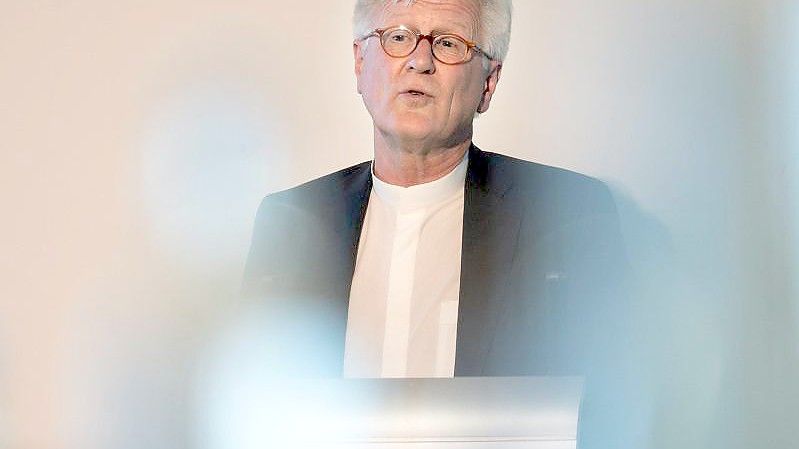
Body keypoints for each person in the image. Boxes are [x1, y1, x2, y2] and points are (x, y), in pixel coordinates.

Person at [242, 0, 629, 380]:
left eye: (447, 43)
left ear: (488, 83)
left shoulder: (565, 216)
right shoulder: (292, 220)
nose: (420, 61)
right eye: (397, 37)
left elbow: (606, 403)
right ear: (360, 63)